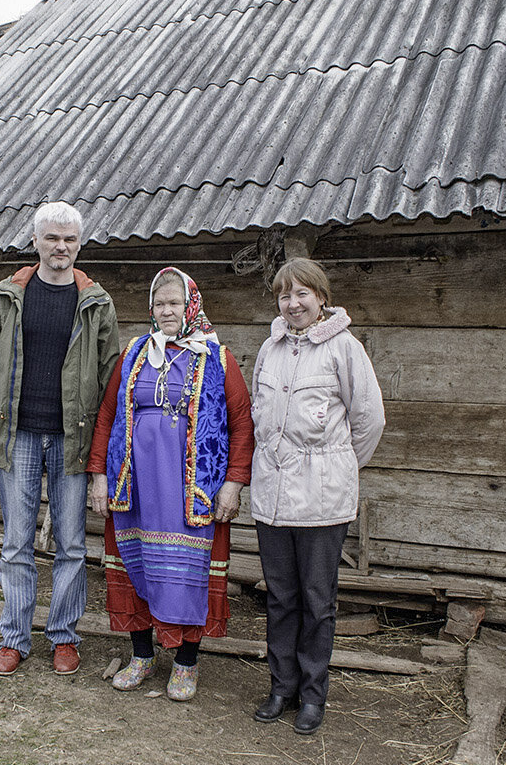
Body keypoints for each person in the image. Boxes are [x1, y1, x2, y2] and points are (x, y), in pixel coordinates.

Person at [88, 267, 254, 701]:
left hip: (189, 491)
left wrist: (234, 483)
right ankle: (142, 656)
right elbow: (107, 415)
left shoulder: (217, 357)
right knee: (136, 567)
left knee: (187, 575)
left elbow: (241, 422)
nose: (166, 311)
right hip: (136, 485)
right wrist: (99, 476)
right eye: (159, 304)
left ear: (190, 306)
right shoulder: (134, 353)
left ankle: (185, 663)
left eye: (174, 304)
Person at [0, 201, 119, 677]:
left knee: (71, 544)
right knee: (17, 543)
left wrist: (102, 453)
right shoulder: (9, 295)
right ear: (35, 241)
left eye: (70, 239)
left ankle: (64, 637)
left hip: (72, 439)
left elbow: (110, 381)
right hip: (18, 436)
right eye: (52, 238)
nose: (61, 247)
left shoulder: (96, 302)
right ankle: (14, 638)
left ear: (80, 244)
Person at [249, 258, 384, 733]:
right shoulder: (270, 348)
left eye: (302, 293)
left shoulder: (344, 349)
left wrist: (336, 466)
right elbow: (260, 415)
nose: (293, 303)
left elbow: (369, 421)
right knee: (281, 598)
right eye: (285, 295)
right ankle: (281, 687)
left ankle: (312, 694)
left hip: (322, 500)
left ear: (322, 297)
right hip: (272, 497)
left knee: (317, 600)